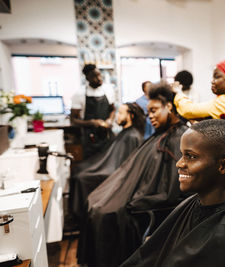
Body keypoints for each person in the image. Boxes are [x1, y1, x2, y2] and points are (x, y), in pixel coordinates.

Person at [120, 119, 225, 267]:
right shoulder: (191, 204)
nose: (179, 163)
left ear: (224, 166)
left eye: (190, 156)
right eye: (182, 155)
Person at [77, 82, 189, 267]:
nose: (150, 116)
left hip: (150, 202)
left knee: (106, 215)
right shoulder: (160, 135)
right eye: (148, 112)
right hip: (138, 192)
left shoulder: (179, 138)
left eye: (154, 111)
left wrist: (137, 200)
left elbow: (169, 189)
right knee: (94, 202)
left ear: (169, 107)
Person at [69, 102, 145, 221]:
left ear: (131, 116)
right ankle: (75, 216)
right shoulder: (125, 132)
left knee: (81, 178)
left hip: (115, 172)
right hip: (110, 166)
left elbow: (126, 165)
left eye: (120, 114)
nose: (117, 117)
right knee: (78, 169)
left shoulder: (132, 136)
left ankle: (81, 218)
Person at [174, 59, 225, 128]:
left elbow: (187, 110)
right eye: (213, 77)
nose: (212, 81)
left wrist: (178, 92)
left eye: (217, 77)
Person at [71, 64, 116, 159]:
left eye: (99, 75)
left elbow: (112, 110)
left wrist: (109, 120)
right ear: (87, 78)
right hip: (90, 138)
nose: (99, 78)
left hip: (106, 135)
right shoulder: (79, 94)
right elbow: (73, 120)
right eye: (95, 76)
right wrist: (91, 122)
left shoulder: (108, 90)